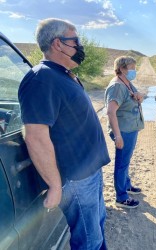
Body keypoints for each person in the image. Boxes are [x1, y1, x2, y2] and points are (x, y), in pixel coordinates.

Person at [18, 18, 110, 249]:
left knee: (96, 229)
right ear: (58, 43)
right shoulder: (41, 78)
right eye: (76, 41)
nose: (80, 47)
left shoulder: (63, 74)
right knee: (89, 241)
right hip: (76, 179)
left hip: (90, 173)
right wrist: (56, 186)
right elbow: (36, 136)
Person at [104, 56, 144, 208]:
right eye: (132, 68)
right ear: (122, 69)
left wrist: (139, 96)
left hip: (130, 129)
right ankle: (121, 197)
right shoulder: (116, 87)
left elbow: (133, 94)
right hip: (123, 131)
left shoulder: (126, 82)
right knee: (122, 164)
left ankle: (126, 185)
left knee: (126, 162)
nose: (134, 71)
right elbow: (110, 112)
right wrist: (118, 135)